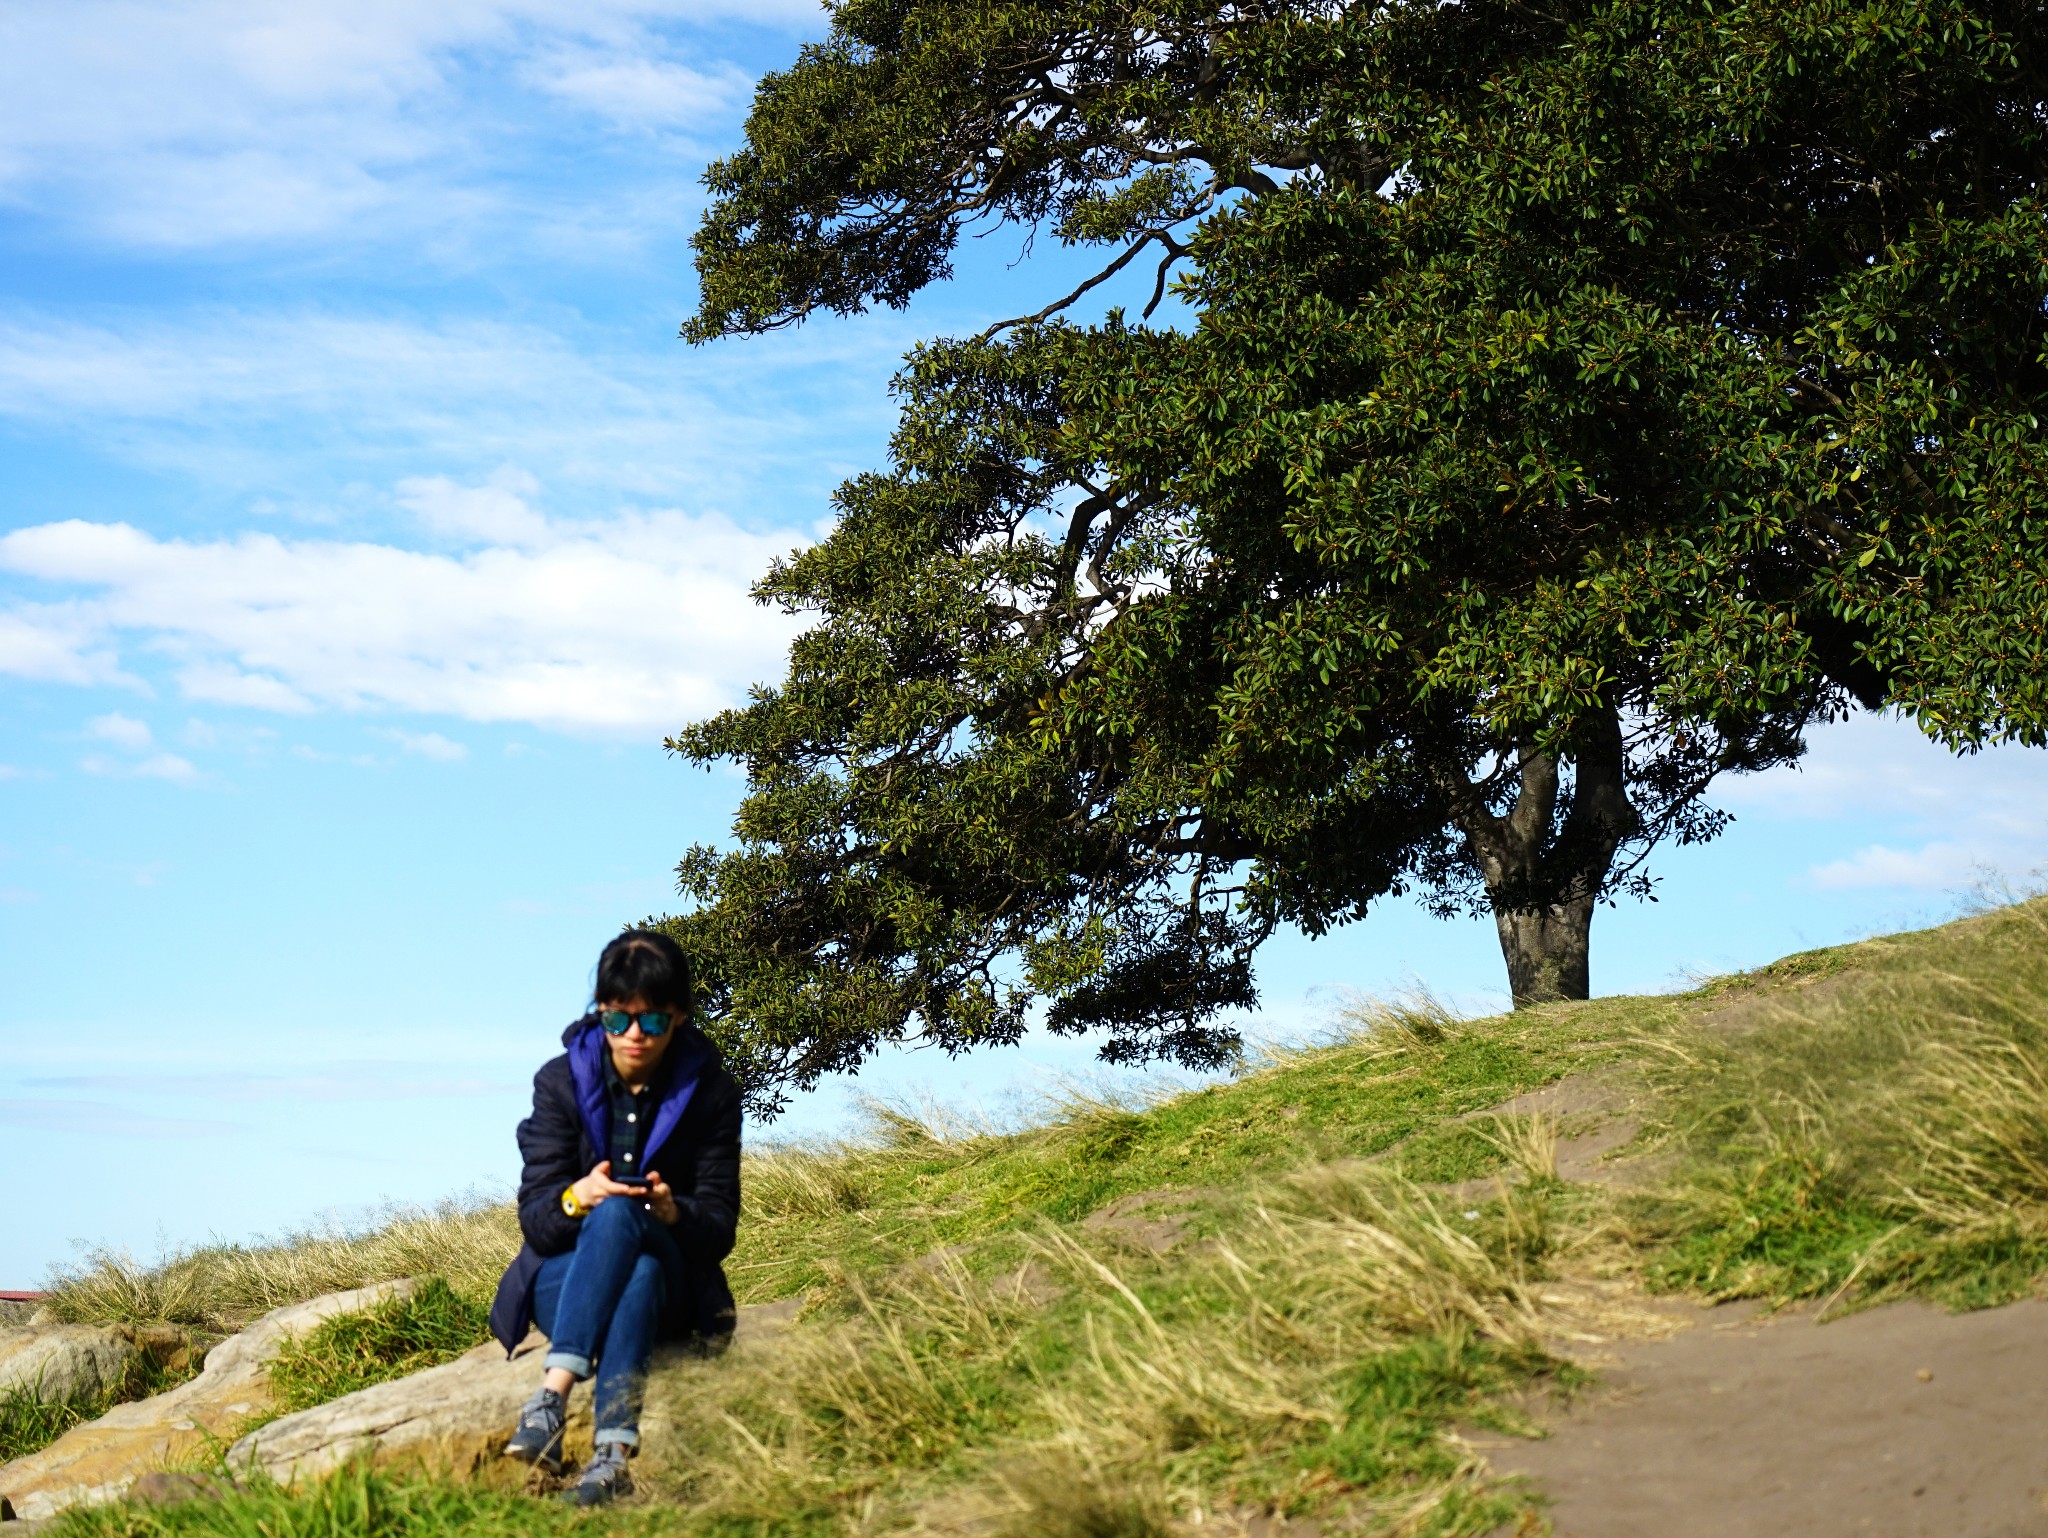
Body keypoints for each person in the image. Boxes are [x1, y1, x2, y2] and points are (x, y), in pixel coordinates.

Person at [489, 929, 742, 1506]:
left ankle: (551, 1396)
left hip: (676, 1288)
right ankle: (612, 1460)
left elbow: (719, 1230)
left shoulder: (712, 1093)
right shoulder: (558, 1084)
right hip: (568, 1283)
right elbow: (539, 1223)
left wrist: (675, 1211)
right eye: (618, 1020)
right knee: (633, 1261)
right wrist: (578, 1194)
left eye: (652, 1021)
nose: (634, 1035)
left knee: (631, 1227)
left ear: (678, 1018)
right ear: (600, 1012)